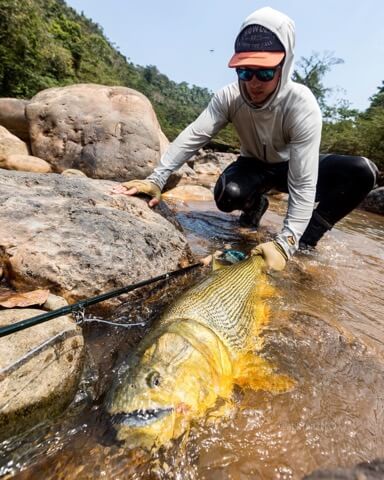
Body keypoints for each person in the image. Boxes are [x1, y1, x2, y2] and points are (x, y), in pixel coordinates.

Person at [118, 7, 378, 271]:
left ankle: (306, 241)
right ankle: (255, 205)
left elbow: (302, 183)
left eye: (265, 72)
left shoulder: (301, 105)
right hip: (252, 165)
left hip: (290, 167)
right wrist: (156, 179)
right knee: (226, 196)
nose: (254, 82)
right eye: (245, 71)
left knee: (362, 172)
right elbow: (195, 135)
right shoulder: (228, 97)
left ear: (284, 66)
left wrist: (286, 242)